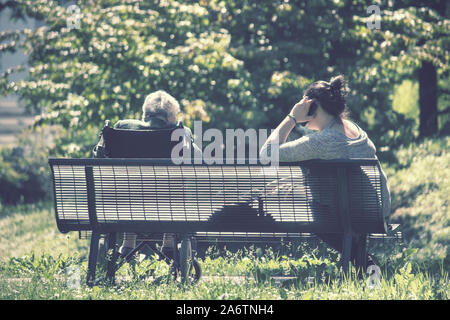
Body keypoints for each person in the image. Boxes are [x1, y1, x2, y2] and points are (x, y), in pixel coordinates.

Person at [259, 75, 391, 271]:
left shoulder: (322, 142)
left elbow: (267, 154)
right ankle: (365, 263)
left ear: (312, 106)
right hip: (375, 212)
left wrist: (292, 117)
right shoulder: (356, 131)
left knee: (298, 200)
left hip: (350, 215)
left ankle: (365, 263)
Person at [106, 90, 202, 259]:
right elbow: (199, 161)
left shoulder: (122, 127)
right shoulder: (180, 132)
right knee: (175, 191)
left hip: (124, 206)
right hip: (167, 207)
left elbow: (99, 157)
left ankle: (128, 244)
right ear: (170, 117)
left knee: (130, 188)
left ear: (145, 114)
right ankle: (168, 244)